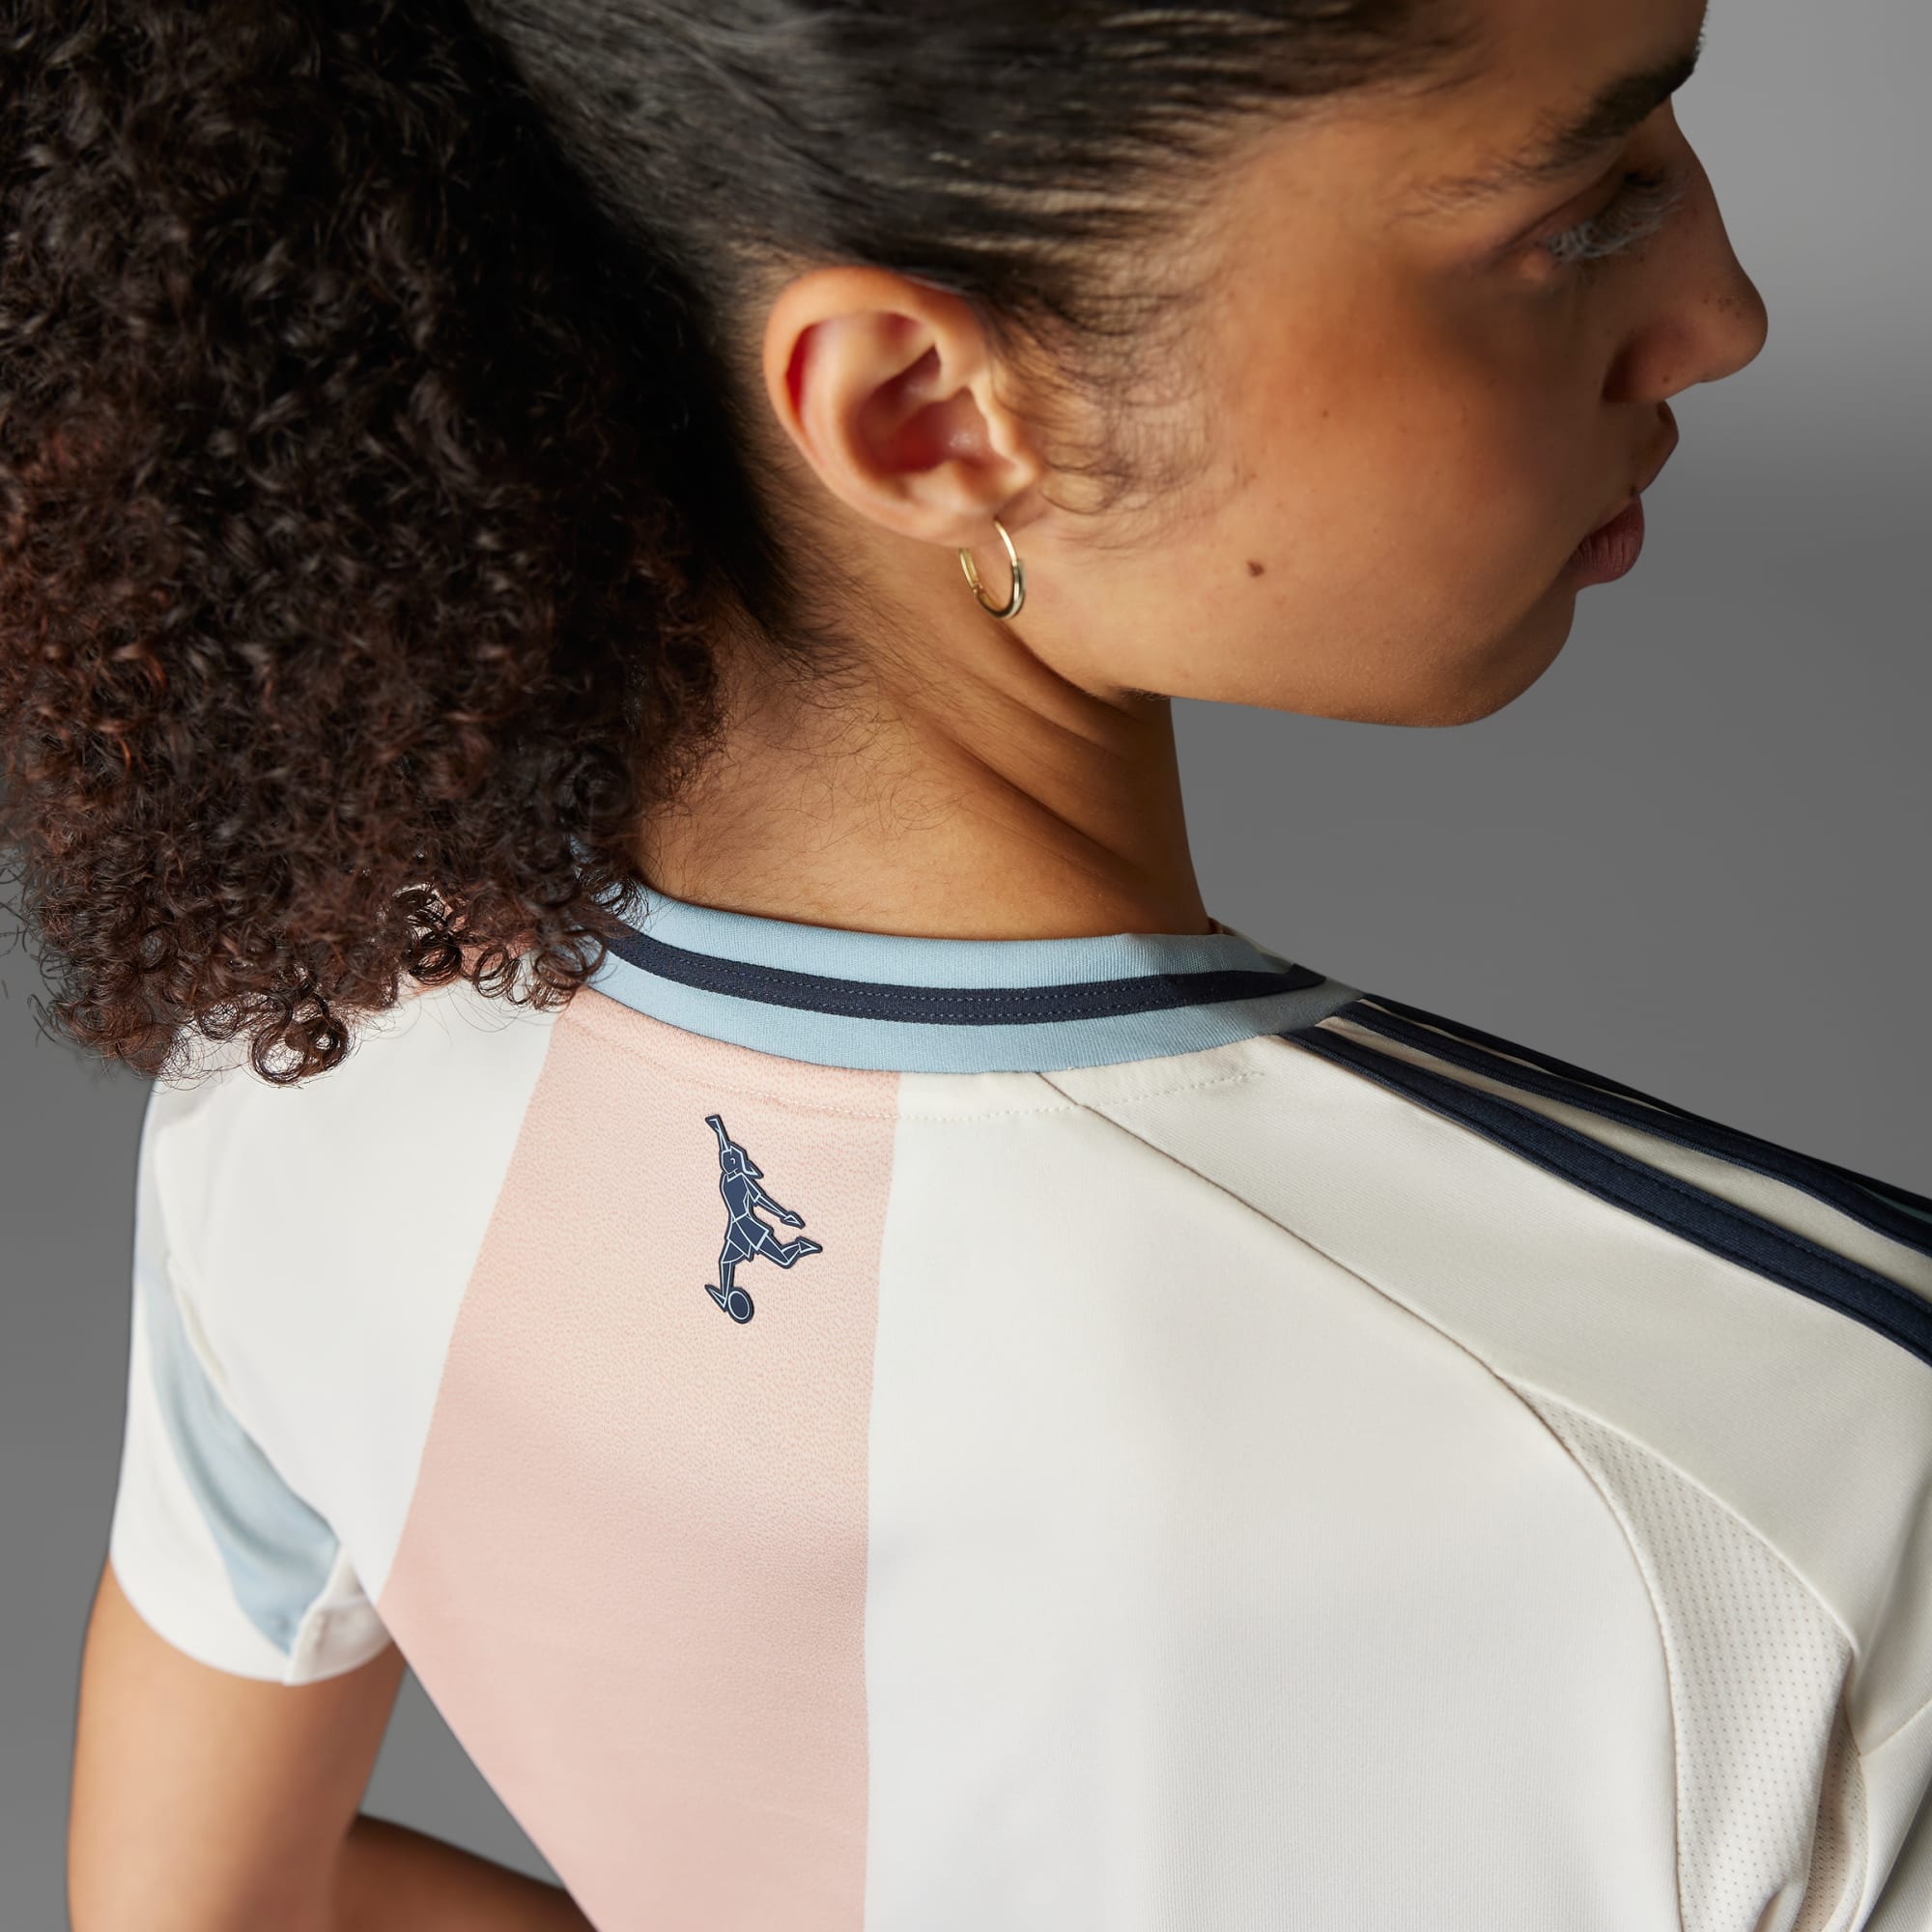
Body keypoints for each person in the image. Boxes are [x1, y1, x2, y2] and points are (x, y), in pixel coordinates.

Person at [4, 0, 1923, 1925]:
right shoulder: (1818, 1477)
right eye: (1581, 211)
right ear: (924, 411)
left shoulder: (303, 1081)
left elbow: (195, 1911)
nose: (1723, 311)